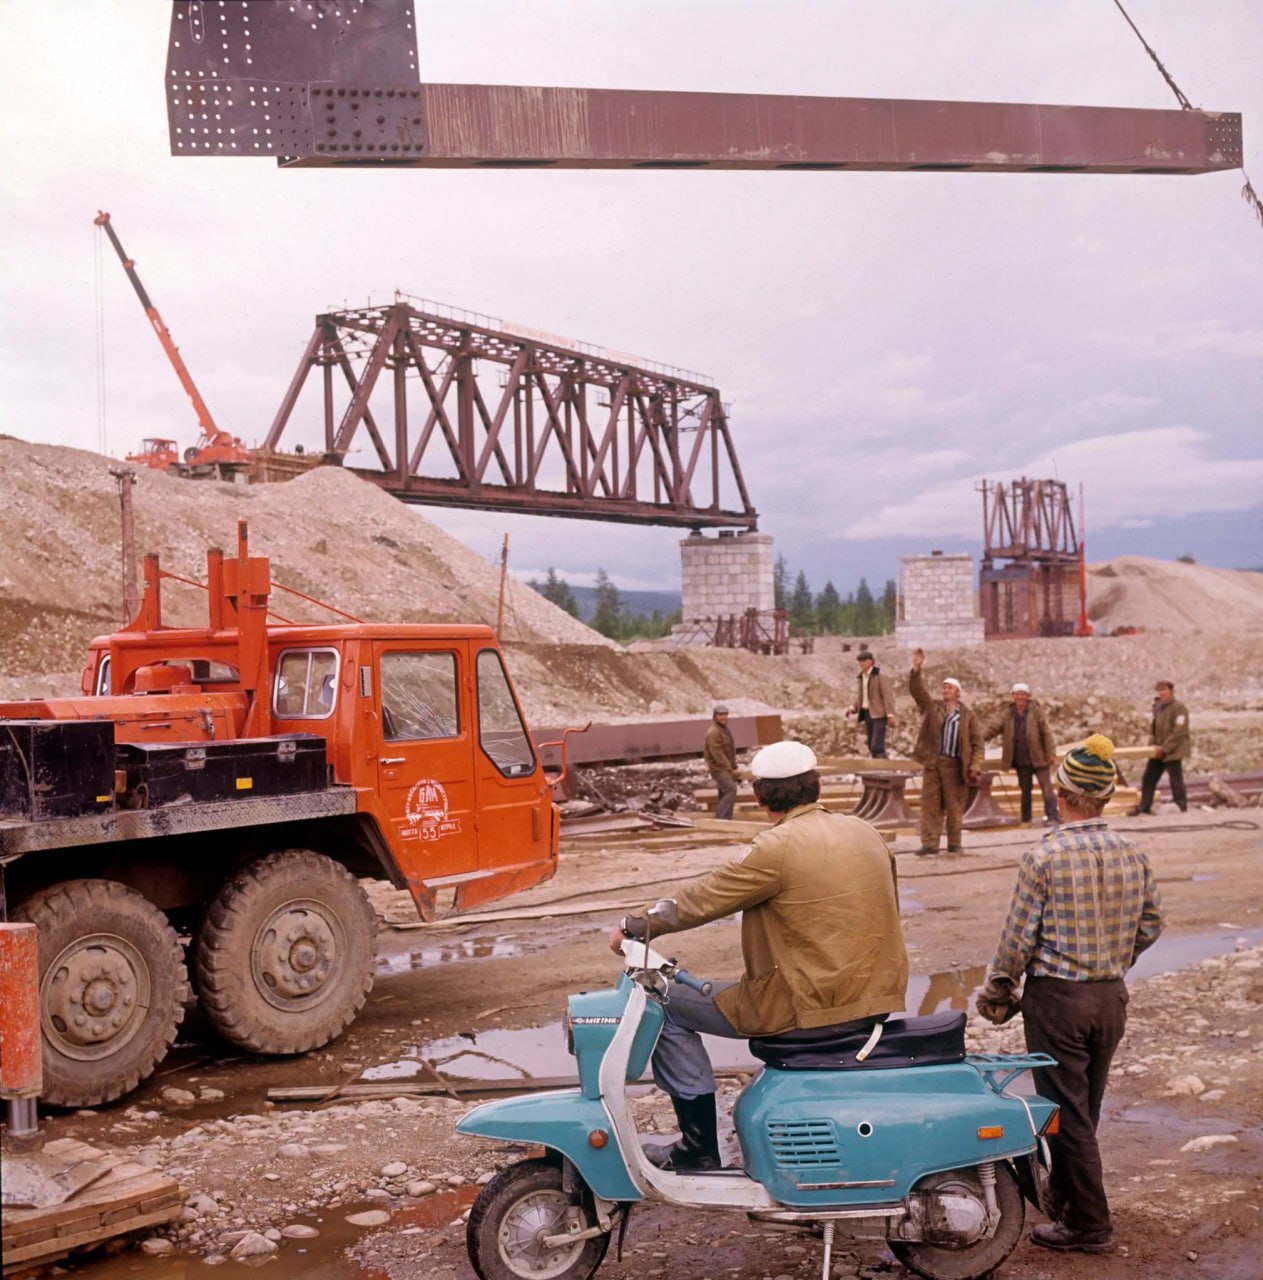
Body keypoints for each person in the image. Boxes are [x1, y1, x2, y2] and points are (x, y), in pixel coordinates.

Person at [609, 740, 908, 1171]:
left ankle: (697, 1148)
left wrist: (633, 925)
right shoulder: (867, 833)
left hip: (806, 1009)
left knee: (666, 1005)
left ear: (760, 796)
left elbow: (702, 899)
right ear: (817, 786)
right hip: (874, 1003)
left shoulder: (775, 847)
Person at [975, 734, 1164, 1255]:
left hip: (1058, 1000)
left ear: (1062, 793)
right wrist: (1114, 960)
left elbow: (1017, 940)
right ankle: (1067, 1200)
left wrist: (1000, 988)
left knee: (1067, 1111)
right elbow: (1153, 923)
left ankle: (1088, 1225)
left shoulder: (1045, 857)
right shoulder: (1133, 853)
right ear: (1103, 796)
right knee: (1085, 1107)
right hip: (1109, 998)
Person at [909, 647, 984, 855]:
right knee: (930, 805)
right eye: (943, 688)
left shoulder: (968, 716)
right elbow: (918, 692)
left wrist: (975, 766)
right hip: (934, 763)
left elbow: (978, 744)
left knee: (954, 807)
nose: (945, 691)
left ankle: (954, 844)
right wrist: (916, 669)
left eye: (949, 688)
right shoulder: (933, 708)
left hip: (955, 767)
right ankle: (930, 844)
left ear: (957, 692)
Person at [985, 682, 1060, 825]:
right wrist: (978, 739)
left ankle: (1053, 817)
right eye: (1017, 694)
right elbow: (994, 728)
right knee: (1025, 792)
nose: (1020, 697)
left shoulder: (1036, 711)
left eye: (1023, 694)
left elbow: (1046, 733)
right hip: (1021, 760)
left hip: (1039, 758)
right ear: (1013, 696)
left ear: (1028, 696)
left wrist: (1051, 753)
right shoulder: (1007, 714)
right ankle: (1026, 819)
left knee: (1047, 789)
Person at [1134, 680, 1191, 814]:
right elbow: (1155, 729)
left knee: (1175, 779)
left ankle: (1181, 806)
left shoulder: (1179, 708)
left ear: (1170, 691)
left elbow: (1179, 731)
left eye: (1164, 690)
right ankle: (1144, 806)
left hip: (1173, 750)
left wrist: (1164, 748)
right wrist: (1153, 747)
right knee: (1149, 778)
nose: (1161, 693)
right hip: (1159, 750)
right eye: (1159, 690)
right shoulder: (1158, 707)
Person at [845, 649, 896, 758]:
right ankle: (878, 768)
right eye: (860, 661)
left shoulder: (880, 676)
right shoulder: (861, 677)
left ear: (871, 661)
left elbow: (888, 696)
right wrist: (853, 708)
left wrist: (890, 714)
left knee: (876, 744)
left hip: (879, 714)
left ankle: (883, 767)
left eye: (864, 660)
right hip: (867, 713)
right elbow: (861, 696)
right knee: (871, 745)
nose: (862, 663)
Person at [703, 703, 739, 820]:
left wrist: (733, 765)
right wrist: (729, 769)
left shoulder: (723, 729)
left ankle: (725, 819)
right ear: (715, 716)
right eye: (720, 715)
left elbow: (728, 750)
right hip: (719, 768)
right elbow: (717, 754)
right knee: (731, 789)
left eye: (725, 714)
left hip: (724, 767)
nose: (723, 717)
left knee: (724, 791)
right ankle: (721, 818)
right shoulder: (714, 732)